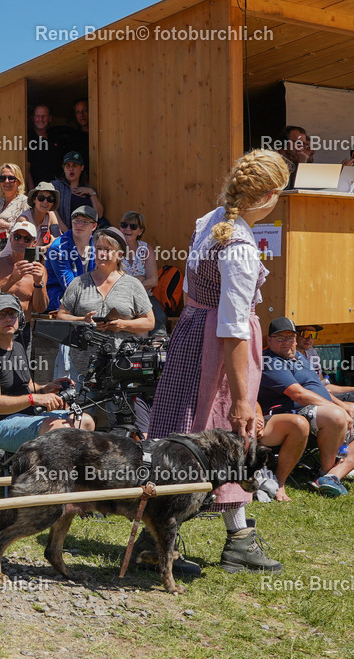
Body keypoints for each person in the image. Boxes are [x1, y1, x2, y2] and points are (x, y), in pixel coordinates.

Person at [148, 148, 290, 573]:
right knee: (226, 436)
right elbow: (231, 327)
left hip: (192, 334)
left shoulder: (210, 221)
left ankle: (225, 536)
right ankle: (168, 541)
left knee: (183, 435)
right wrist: (244, 397)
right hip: (217, 349)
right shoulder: (240, 246)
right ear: (266, 194)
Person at [0, 293, 94, 458]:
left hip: (26, 415)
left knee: (85, 421)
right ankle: (50, 477)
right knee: (58, 428)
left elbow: (26, 386)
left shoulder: (18, 347)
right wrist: (34, 399)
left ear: (20, 318)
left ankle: (69, 476)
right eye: (1, 314)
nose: (8, 319)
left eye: (12, 313)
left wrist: (45, 389)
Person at [56, 227, 155, 429]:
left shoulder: (132, 285)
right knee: (79, 422)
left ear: (119, 254)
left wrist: (123, 325)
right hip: (83, 366)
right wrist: (83, 320)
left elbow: (149, 322)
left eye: (107, 249)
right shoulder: (79, 283)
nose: (101, 253)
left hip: (120, 367)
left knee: (121, 424)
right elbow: (61, 316)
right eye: (98, 248)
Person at [258, 317, 354, 497]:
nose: (287, 342)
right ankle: (326, 471)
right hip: (289, 413)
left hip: (316, 410)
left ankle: (334, 476)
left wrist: (343, 405)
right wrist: (340, 410)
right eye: (280, 338)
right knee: (336, 416)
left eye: (290, 338)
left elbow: (320, 389)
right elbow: (299, 395)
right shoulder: (269, 360)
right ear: (269, 340)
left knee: (346, 410)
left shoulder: (300, 357)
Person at [0, 219, 48, 353]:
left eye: (27, 239)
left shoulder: (39, 269)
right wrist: (12, 278)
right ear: (11, 238)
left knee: (21, 372)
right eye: (17, 237)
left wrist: (38, 284)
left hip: (22, 330)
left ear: (34, 243)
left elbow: (40, 308)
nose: (21, 242)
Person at [119, 211, 168, 337]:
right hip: (121, 298)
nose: (127, 229)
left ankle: (157, 352)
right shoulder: (114, 248)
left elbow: (153, 281)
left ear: (140, 231)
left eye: (133, 227)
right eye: (124, 225)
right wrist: (140, 280)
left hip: (145, 296)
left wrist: (128, 282)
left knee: (159, 317)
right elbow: (113, 281)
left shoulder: (145, 249)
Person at [45, 205, 97, 313]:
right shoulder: (58, 248)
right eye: (76, 220)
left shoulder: (97, 245)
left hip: (86, 300)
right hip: (58, 304)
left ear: (94, 226)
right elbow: (69, 286)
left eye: (85, 222)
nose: (79, 225)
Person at [297, 324, 354, 402]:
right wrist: (341, 405)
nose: (309, 338)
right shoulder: (292, 358)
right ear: (295, 335)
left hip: (323, 395)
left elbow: (323, 386)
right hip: (312, 400)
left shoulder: (311, 352)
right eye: (305, 333)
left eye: (313, 334)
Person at [52, 152, 103, 229]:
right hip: (63, 234)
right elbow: (51, 211)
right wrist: (66, 232)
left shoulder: (88, 189)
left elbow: (99, 215)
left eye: (74, 165)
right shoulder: (56, 186)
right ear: (64, 168)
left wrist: (92, 192)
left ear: (82, 167)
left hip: (86, 234)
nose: (71, 169)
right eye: (67, 165)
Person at [0, 163, 29, 254]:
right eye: (2, 178)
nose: (6, 181)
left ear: (19, 181)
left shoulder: (25, 202)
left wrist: (7, 225)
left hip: (12, 253)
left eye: (11, 178)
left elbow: (30, 229)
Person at [26, 104, 64, 187]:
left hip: (56, 187)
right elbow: (26, 168)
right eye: (37, 116)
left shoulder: (55, 137)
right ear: (32, 118)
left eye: (44, 116)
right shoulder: (28, 138)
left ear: (50, 118)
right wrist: (33, 191)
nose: (40, 119)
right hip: (38, 189)